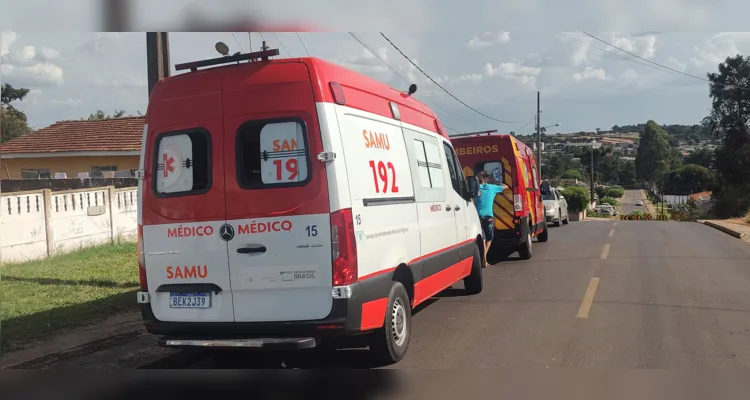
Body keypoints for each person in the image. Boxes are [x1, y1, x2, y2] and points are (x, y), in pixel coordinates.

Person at [474, 170, 506, 268]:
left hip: (478, 216)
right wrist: (494, 181)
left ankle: (483, 259)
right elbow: (505, 186)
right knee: (489, 238)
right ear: (486, 179)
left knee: (483, 239)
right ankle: (484, 259)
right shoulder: (492, 188)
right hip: (488, 216)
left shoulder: (476, 189)